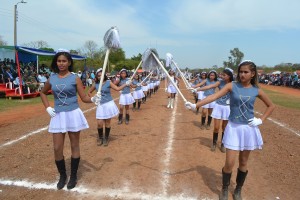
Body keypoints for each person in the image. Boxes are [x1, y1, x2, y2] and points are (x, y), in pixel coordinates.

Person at [185, 60, 275, 200]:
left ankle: (238, 190)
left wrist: (261, 120)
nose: (242, 74)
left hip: (248, 129)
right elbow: (213, 96)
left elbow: (271, 106)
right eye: (241, 71)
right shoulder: (231, 86)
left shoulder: (257, 90)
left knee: (243, 162)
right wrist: (196, 105)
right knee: (229, 163)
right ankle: (225, 188)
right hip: (233, 128)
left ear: (252, 74)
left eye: (246, 72)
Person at [40, 49, 99, 190]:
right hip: (58, 115)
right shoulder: (52, 78)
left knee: (74, 146)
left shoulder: (75, 78)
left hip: (73, 114)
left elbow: (84, 98)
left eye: (64, 61)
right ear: (56, 62)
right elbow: (42, 93)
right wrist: (47, 107)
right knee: (57, 148)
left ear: (69, 62)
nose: (61, 63)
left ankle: (73, 176)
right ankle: (62, 176)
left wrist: (93, 99)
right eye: (59, 61)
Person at [191, 68, 234, 152]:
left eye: (224, 75)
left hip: (227, 108)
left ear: (229, 76)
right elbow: (209, 86)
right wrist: (197, 89)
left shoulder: (234, 84)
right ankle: (214, 143)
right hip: (218, 106)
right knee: (216, 128)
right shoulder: (220, 82)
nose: (222, 76)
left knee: (224, 128)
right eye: (222, 74)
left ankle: (222, 144)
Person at [88, 68, 128, 146]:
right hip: (100, 105)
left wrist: (126, 84)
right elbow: (89, 92)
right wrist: (93, 98)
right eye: (99, 76)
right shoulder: (95, 84)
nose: (100, 77)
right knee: (99, 123)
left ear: (104, 75)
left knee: (107, 122)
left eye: (101, 75)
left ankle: (106, 138)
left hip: (108, 104)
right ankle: (100, 138)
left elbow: (117, 88)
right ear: (97, 76)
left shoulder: (108, 83)